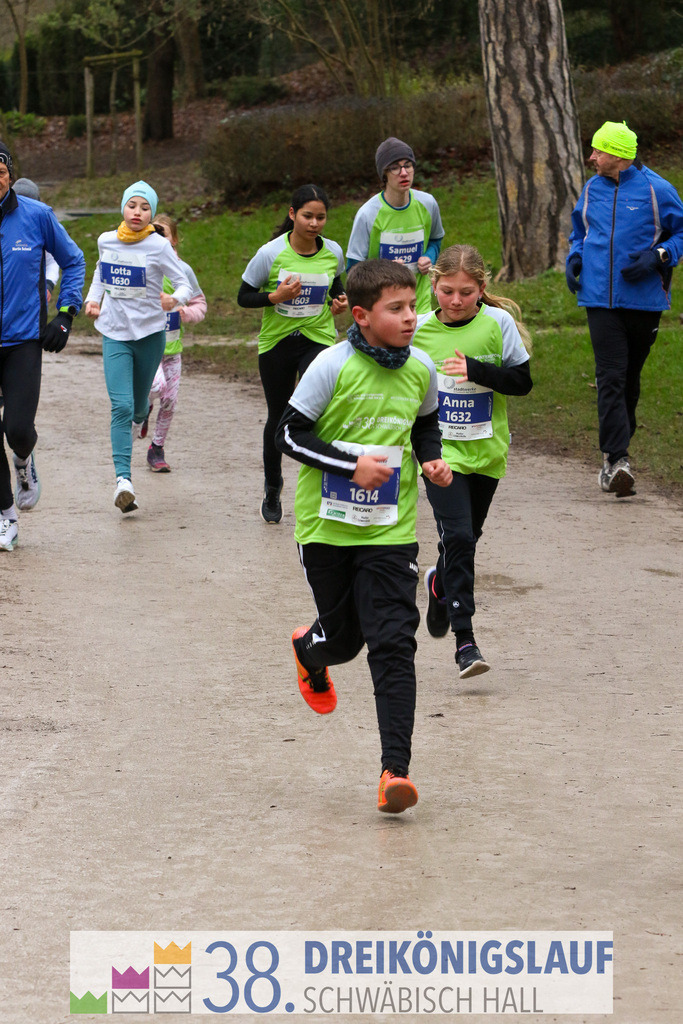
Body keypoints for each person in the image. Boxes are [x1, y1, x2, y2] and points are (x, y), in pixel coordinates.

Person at [276, 258, 452, 814]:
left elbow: (423, 422)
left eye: (412, 307)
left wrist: (431, 459)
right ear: (361, 314)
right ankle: (311, 649)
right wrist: (349, 468)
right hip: (326, 529)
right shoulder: (332, 366)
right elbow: (288, 433)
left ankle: (394, 772)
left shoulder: (421, 367)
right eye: (395, 309)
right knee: (346, 642)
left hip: (389, 530)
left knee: (395, 642)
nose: (409, 318)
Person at [413, 245, 532, 679]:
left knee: (466, 538)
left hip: (486, 451)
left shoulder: (497, 324)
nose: (456, 300)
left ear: (482, 289)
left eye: (466, 292)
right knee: (459, 536)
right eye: (447, 291)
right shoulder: (420, 330)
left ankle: (440, 586)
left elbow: (522, 382)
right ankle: (466, 641)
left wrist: (476, 370)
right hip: (440, 455)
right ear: (434, 286)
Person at [566, 120, 683, 497]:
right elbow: (580, 232)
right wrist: (575, 258)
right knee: (611, 377)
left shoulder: (657, 189)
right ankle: (617, 459)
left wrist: (660, 255)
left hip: (645, 301)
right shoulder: (591, 188)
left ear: (618, 155)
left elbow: (681, 232)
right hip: (599, 300)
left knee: (629, 381)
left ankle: (614, 456)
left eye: (598, 150)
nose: (591, 157)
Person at [238, 184, 347, 525]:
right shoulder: (271, 254)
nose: (315, 223)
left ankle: (328, 484)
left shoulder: (333, 252)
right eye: (308, 216)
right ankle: (273, 486)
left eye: (321, 217)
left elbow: (337, 290)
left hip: (318, 339)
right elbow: (243, 297)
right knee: (278, 415)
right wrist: (275, 296)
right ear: (292, 215)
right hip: (277, 343)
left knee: (322, 411)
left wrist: (339, 302)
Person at [84, 181, 192, 513]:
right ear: (122, 208)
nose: (137, 212)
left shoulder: (159, 246)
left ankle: (141, 417)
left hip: (149, 335)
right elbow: (102, 273)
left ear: (151, 214)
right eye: (133, 205)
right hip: (114, 332)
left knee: (139, 408)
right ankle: (123, 481)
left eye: (145, 208)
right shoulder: (106, 240)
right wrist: (92, 300)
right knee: (120, 406)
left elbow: (187, 282)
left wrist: (175, 298)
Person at [0, 143, 85, 552]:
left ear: (9, 174)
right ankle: (6, 517)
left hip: (22, 342)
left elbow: (74, 260)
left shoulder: (36, 216)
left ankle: (23, 461)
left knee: (16, 428)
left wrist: (66, 314)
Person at [346, 137, 444, 315]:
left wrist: (430, 256)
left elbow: (436, 239)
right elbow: (353, 270)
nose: (404, 172)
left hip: (418, 304)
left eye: (408, 165)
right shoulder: (368, 214)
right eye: (395, 167)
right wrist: (384, 271)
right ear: (384, 174)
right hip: (382, 308)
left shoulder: (428, 204)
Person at [142, 213, 208, 472]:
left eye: (164, 234)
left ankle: (156, 448)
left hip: (172, 350)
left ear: (175, 240)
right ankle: (143, 407)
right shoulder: (143, 266)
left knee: (170, 399)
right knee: (157, 387)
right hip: (148, 347)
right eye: (152, 233)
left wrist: (186, 313)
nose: (158, 240)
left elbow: (199, 302)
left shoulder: (184, 271)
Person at [12, 178, 61, 300]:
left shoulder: (44, 227)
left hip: (33, 301)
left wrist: (48, 285)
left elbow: (53, 261)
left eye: (28, 203)